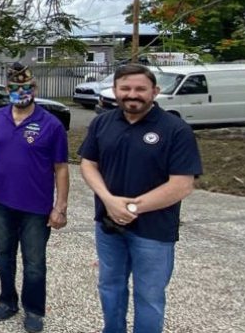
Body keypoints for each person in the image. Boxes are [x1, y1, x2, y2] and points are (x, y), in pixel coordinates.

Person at [78, 64, 202, 333]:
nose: (132, 94)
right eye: (125, 88)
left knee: (149, 297)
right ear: (115, 90)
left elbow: (182, 185)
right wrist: (109, 200)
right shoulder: (102, 122)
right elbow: (88, 164)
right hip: (108, 227)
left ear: (154, 92)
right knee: (110, 288)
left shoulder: (175, 130)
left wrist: (133, 206)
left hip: (154, 232)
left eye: (140, 89)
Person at [0, 63, 69, 333]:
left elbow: (61, 169)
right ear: (7, 90)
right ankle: (7, 301)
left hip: (36, 207)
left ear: (35, 89)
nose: (21, 92)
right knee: (3, 254)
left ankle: (34, 310)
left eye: (26, 87)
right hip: (2, 203)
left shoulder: (51, 124)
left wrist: (60, 206)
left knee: (34, 263)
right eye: (15, 88)